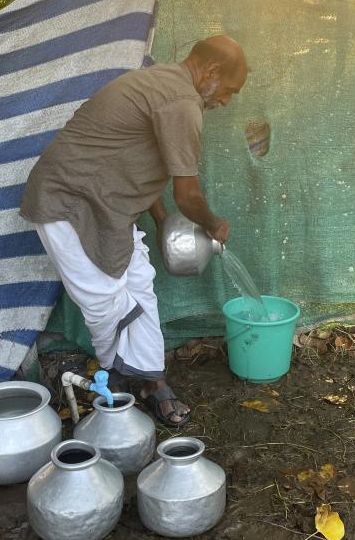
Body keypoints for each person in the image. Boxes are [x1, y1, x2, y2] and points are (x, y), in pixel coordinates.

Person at [20, 35, 248, 427]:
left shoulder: (162, 82)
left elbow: (142, 163)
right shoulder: (181, 103)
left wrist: (162, 222)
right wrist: (214, 226)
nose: (225, 101)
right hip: (68, 201)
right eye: (229, 90)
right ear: (211, 72)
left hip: (107, 205)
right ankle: (121, 382)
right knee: (103, 300)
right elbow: (188, 195)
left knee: (140, 283)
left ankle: (149, 380)